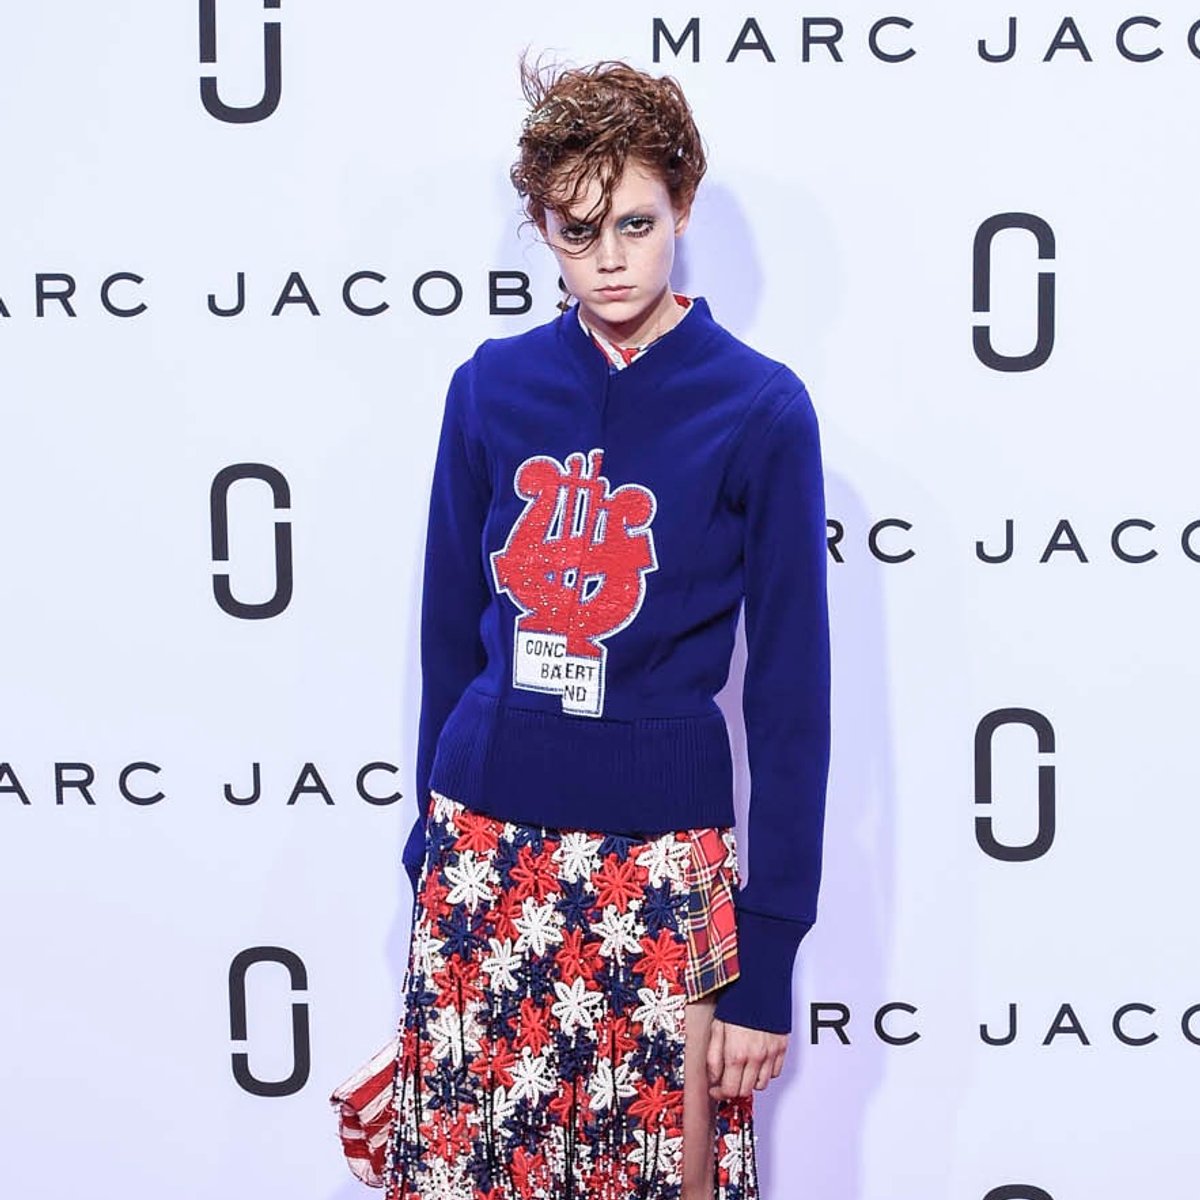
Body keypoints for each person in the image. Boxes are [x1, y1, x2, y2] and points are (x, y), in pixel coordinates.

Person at [330, 55, 831, 1200]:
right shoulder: (490, 386)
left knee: (668, 1177)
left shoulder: (759, 407)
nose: (609, 259)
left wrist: (768, 953)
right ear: (544, 230)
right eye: (577, 230)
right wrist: (428, 845)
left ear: (685, 207)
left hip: (665, 867)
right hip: (483, 854)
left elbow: (791, 702)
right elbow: (447, 637)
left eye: (636, 224)